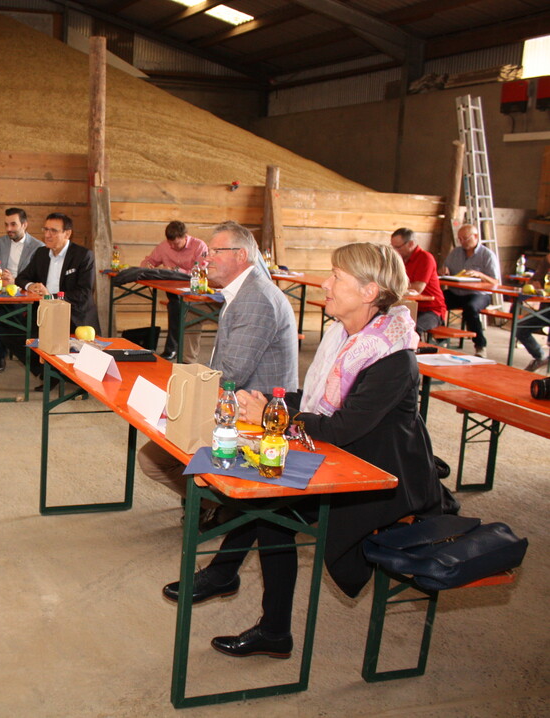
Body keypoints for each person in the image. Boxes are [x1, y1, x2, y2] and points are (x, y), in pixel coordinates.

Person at [165, 243, 445, 660]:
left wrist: (272, 414)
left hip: (382, 481)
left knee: (271, 507)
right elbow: (318, 406)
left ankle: (263, 617)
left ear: (369, 293)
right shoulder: (345, 337)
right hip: (347, 459)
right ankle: (238, 588)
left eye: (337, 278)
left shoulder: (391, 358)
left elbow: (340, 428)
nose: (326, 285)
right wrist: (271, 405)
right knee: (259, 481)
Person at [137, 220, 299, 500]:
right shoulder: (243, 291)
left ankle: (221, 505)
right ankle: (212, 505)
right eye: (207, 252)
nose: (206, 259)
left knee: (156, 459)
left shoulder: (255, 298)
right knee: (154, 455)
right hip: (235, 403)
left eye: (215, 252)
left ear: (241, 255)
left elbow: (233, 375)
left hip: (255, 417)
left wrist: (184, 397)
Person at [13, 213, 100, 389]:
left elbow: (84, 293)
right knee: (14, 333)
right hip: (46, 312)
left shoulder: (83, 256)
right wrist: (31, 286)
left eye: (54, 231)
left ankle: (66, 375)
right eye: (46, 229)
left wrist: (50, 296)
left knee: (71, 345)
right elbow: (21, 277)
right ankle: (49, 374)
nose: (47, 235)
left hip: (74, 314)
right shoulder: (41, 253)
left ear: (67, 234)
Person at [0, 207, 43, 374]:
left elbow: (37, 276)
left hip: (24, 293)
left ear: (24, 225)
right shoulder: (0, 242)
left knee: (6, 314)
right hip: (2, 289)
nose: (8, 229)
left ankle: (1, 355)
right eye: (6, 225)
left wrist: (15, 281)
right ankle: (12, 349)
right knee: (6, 309)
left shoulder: (38, 247)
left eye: (13, 225)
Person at [140, 221, 208, 360]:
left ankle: (172, 348)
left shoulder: (199, 246)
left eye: (176, 244)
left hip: (193, 288)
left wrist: (175, 270)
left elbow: (201, 271)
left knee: (176, 307)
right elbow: (148, 261)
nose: (172, 246)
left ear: (185, 237)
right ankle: (173, 348)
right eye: (170, 243)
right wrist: (149, 266)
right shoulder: (165, 246)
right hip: (173, 289)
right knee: (175, 305)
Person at [443, 224, 500, 357]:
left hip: (478, 294)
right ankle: (441, 338)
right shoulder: (455, 252)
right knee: (438, 300)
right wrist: (444, 270)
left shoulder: (487, 255)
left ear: (475, 237)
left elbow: (495, 282)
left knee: (470, 308)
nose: (462, 242)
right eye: (460, 239)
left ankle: (480, 345)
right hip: (456, 291)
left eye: (465, 238)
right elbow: (446, 268)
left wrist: (480, 275)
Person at [389, 227, 446, 336]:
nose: (394, 251)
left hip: (431, 310)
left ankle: (414, 352)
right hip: (410, 307)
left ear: (410, 244)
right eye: (392, 247)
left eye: (398, 247)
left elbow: (417, 288)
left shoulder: (426, 258)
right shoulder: (399, 259)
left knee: (412, 328)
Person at [514, 254, 550, 372]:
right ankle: (540, 357)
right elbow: (534, 279)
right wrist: (535, 283)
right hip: (546, 307)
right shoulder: (547, 260)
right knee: (520, 327)